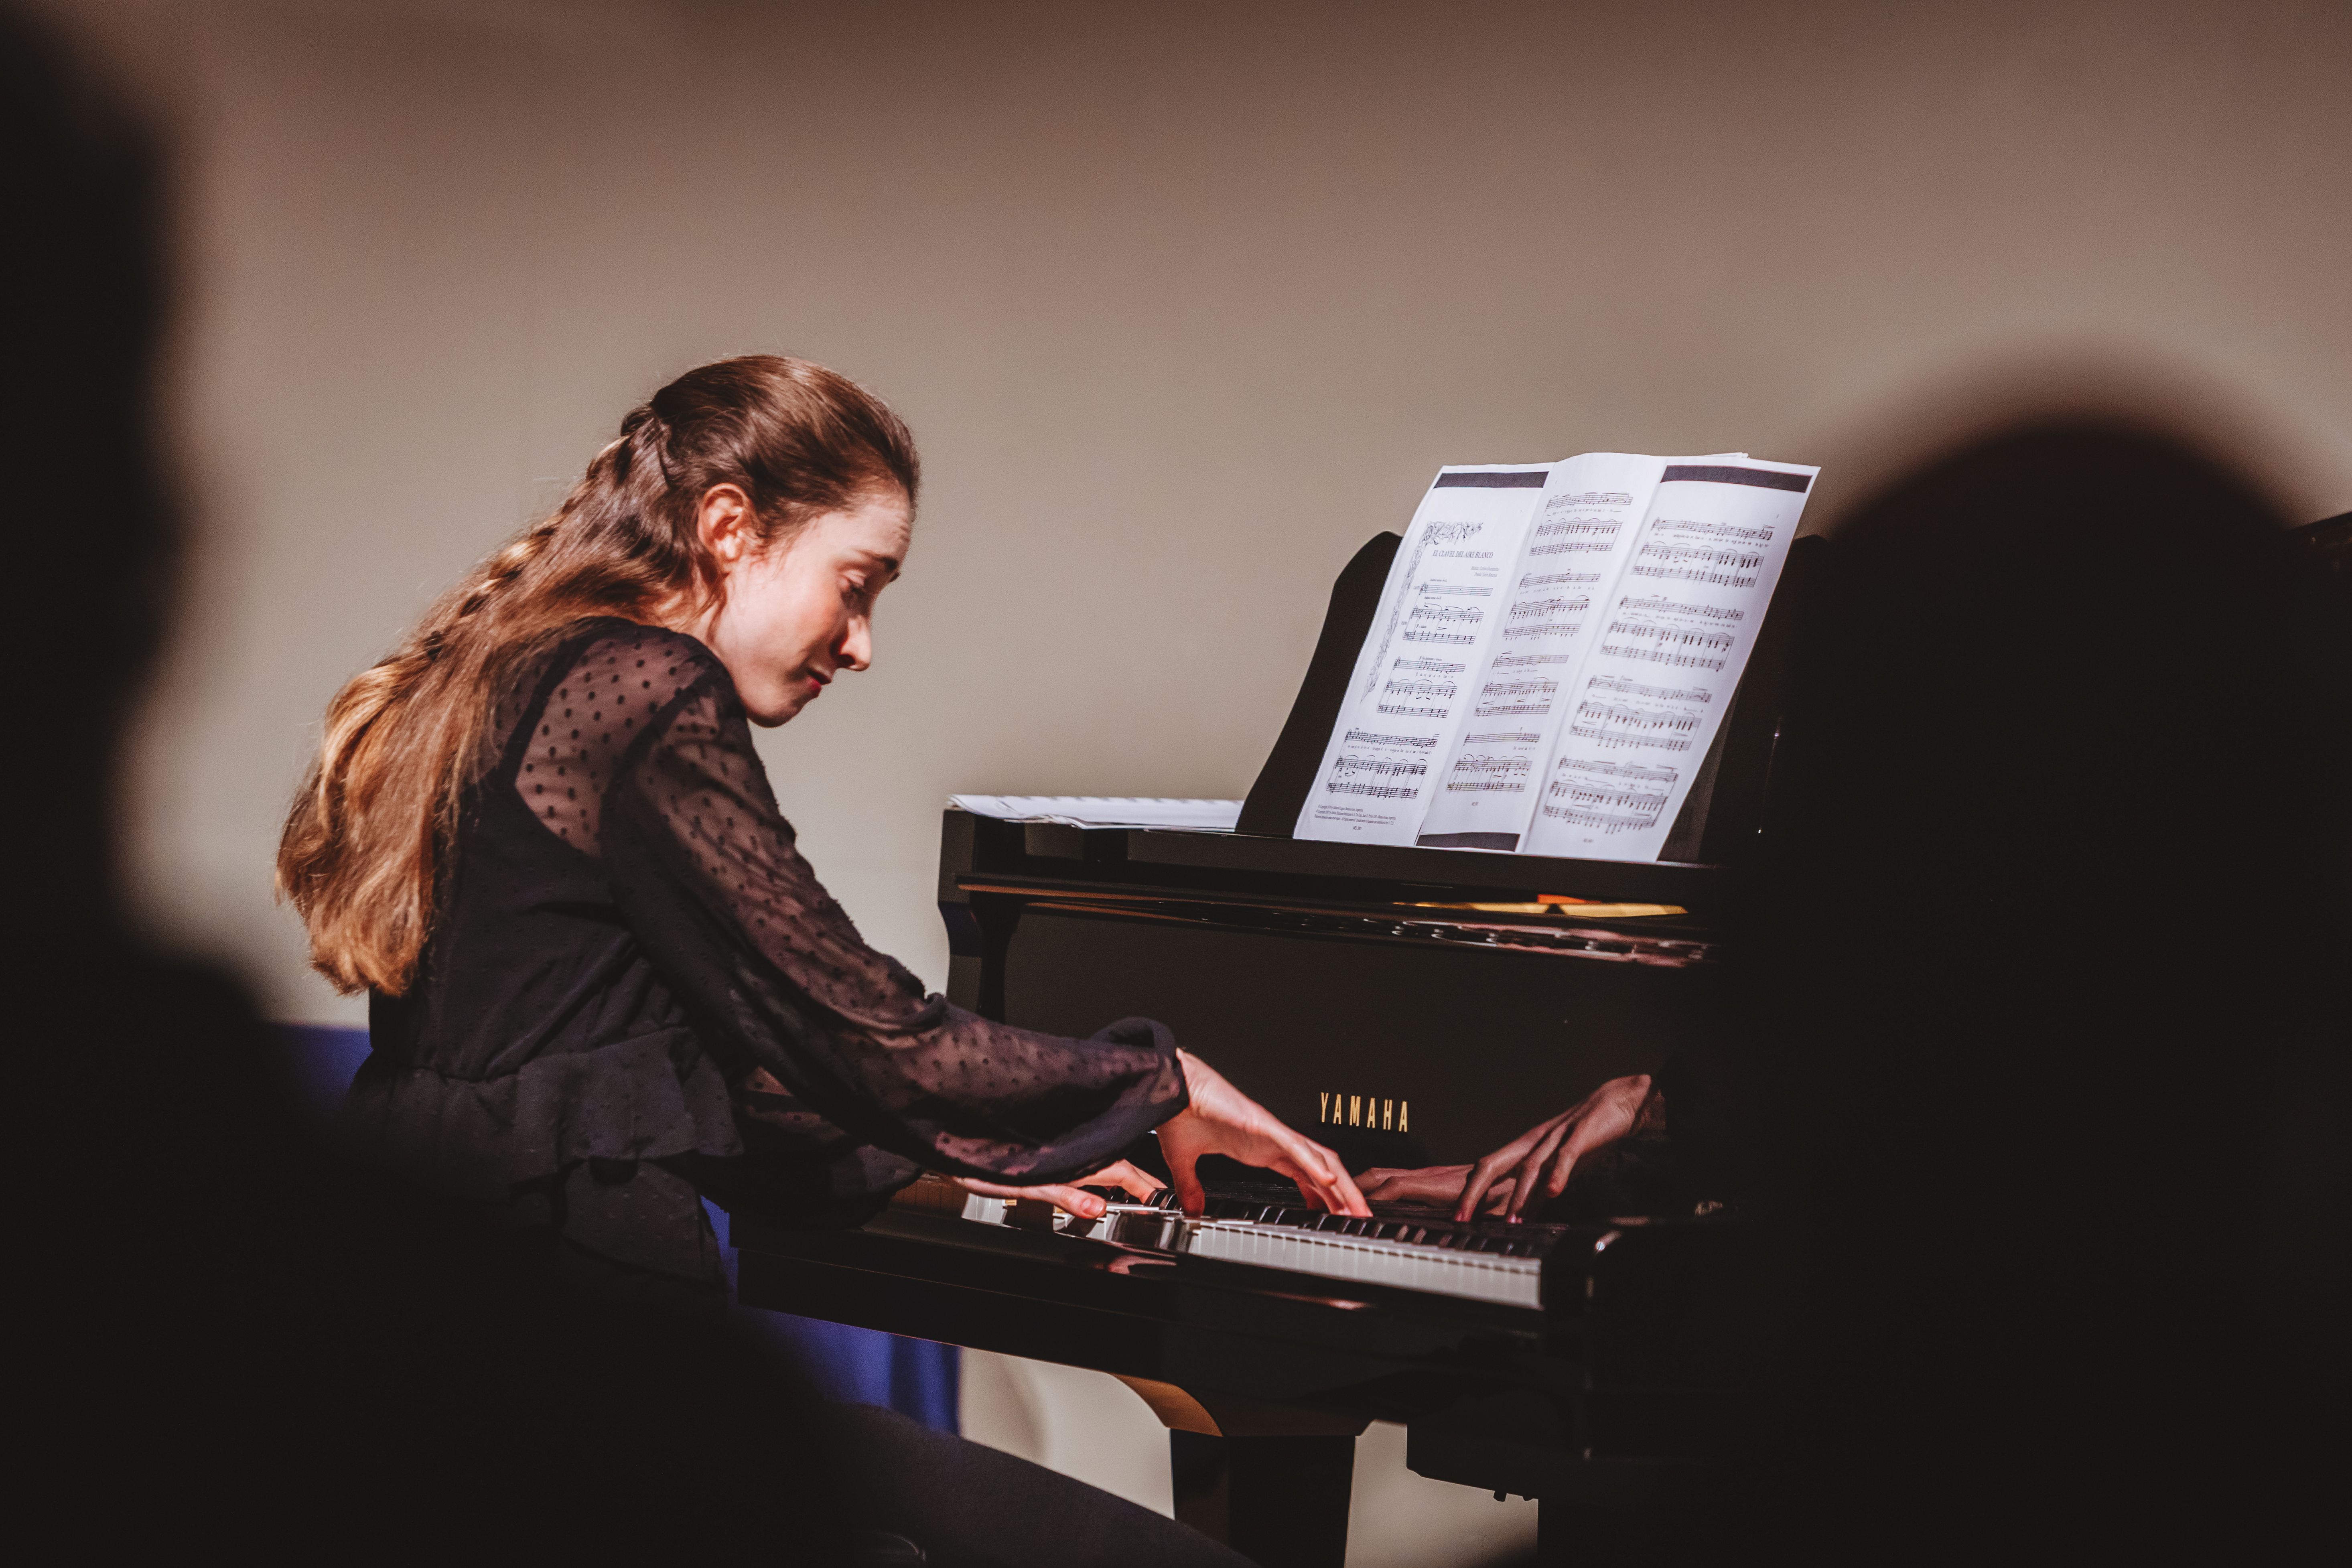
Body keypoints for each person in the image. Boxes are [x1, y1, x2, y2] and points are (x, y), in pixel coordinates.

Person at [274, 353, 1368, 1556]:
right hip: (596, 1408)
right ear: (731, 528)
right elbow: (868, 1031)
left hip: (459, 1364)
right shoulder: (644, 685)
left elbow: (652, 1084)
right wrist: (1161, 1082)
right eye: (858, 585)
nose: (861, 645)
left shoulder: (519, 673)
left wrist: (970, 1168)